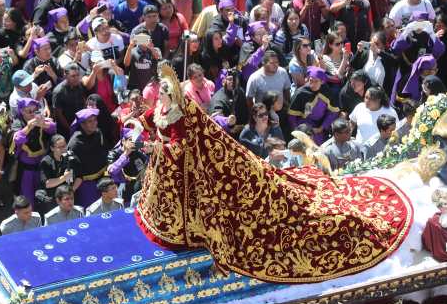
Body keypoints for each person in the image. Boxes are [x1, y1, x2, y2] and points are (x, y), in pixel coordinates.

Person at [134, 63, 412, 283]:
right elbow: (150, 119)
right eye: (161, 95)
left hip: (187, 169)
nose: (162, 99)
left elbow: (180, 148)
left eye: (166, 95)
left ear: (175, 97)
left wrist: (152, 147)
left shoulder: (182, 115)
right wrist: (134, 124)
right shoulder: (163, 108)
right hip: (172, 177)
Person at [11, 98, 56, 205]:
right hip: (26, 168)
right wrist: (29, 127)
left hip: (41, 166)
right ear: (22, 111)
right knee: (27, 198)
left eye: (35, 110)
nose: (32, 114)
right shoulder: (18, 123)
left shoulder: (40, 119)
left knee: (43, 195)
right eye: (29, 111)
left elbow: (53, 128)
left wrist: (43, 124)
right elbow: (17, 139)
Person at [67, 108, 109, 208]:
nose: (94, 123)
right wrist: (71, 188)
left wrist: (107, 176)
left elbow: (105, 157)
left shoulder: (98, 133)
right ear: (82, 124)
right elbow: (71, 167)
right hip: (86, 184)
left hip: (103, 178)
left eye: (95, 120)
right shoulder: (75, 143)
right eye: (90, 121)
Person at [288, 67, 340, 145]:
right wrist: (297, 132)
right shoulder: (301, 93)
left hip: (321, 125)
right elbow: (292, 116)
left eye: (316, 81)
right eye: (311, 81)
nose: (313, 84)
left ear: (322, 82)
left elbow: (333, 112)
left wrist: (322, 127)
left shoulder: (327, 92)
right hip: (304, 124)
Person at [107, 128, 149, 205]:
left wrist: (149, 152)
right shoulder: (113, 154)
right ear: (123, 141)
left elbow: (148, 165)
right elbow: (111, 171)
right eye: (131, 140)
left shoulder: (137, 152)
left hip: (138, 187)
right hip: (120, 188)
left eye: (136, 141)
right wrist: (126, 153)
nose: (133, 143)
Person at [52, 63, 87, 138]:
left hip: (81, 124)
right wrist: (70, 128)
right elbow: (58, 115)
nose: (77, 78)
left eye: (78, 75)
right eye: (73, 76)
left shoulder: (79, 85)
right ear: (66, 76)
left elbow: (84, 101)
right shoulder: (58, 92)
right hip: (67, 129)